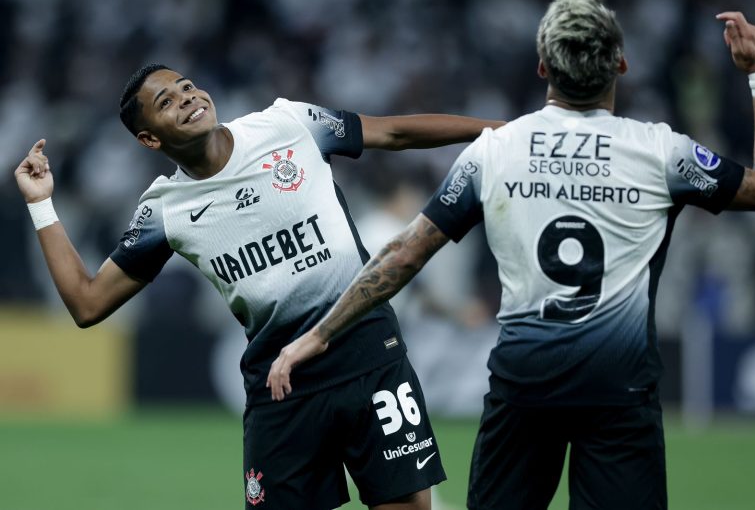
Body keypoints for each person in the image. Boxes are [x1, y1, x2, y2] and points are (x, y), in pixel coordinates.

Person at [267, 0, 755, 510]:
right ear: (621, 63)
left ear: (542, 67)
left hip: (525, 390)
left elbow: (404, 255)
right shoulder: (664, 151)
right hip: (620, 395)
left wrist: (320, 334)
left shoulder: (497, 150)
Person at [14, 64, 505, 510]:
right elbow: (86, 302)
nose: (186, 98)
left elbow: (394, 131)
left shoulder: (288, 124)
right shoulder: (164, 209)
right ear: (149, 139)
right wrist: (42, 206)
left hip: (370, 359)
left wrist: (501, 134)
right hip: (282, 389)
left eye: (186, 86)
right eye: (166, 102)